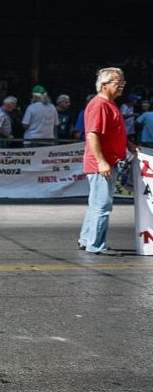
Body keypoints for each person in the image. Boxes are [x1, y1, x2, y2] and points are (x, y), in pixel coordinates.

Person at [78, 67, 136, 256]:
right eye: (118, 83)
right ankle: (96, 245)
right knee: (102, 205)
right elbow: (92, 134)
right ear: (103, 86)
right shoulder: (100, 105)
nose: (121, 87)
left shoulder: (110, 104)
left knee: (96, 204)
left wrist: (128, 144)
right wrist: (102, 162)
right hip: (102, 164)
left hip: (106, 162)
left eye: (122, 83)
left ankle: (86, 239)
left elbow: (113, 132)